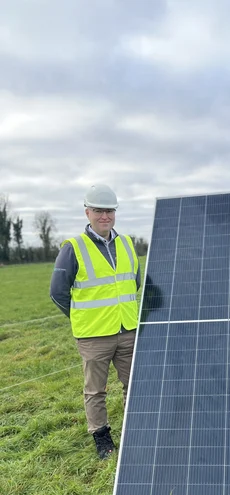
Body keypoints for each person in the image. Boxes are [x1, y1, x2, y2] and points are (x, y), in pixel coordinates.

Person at [50, 184, 140, 459]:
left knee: (136, 384)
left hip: (127, 329)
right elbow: (58, 293)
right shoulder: (73, 248)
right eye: (99, 211)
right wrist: (83, 317)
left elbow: (134, 282)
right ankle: (102, 437)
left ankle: (137, 430)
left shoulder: (126, 243)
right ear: (88, 212)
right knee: (95, 391)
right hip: (94, 336)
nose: (105, 216)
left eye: (110, 211)